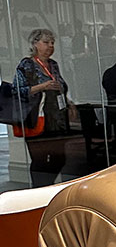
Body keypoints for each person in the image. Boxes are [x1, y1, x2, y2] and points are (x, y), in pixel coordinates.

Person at [13, 28, 76, 186]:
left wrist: (69, 103)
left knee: (60, 158)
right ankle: (39, 191)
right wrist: (43, 86)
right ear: (35, 44)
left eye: (52, 43)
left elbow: (60, 87)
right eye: (46, 42)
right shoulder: (26, 65)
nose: (50, 46)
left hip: (57, 119)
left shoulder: (53, 65)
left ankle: (47, 187)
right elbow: (17, 91)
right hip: (37, 117)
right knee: (40, 160)